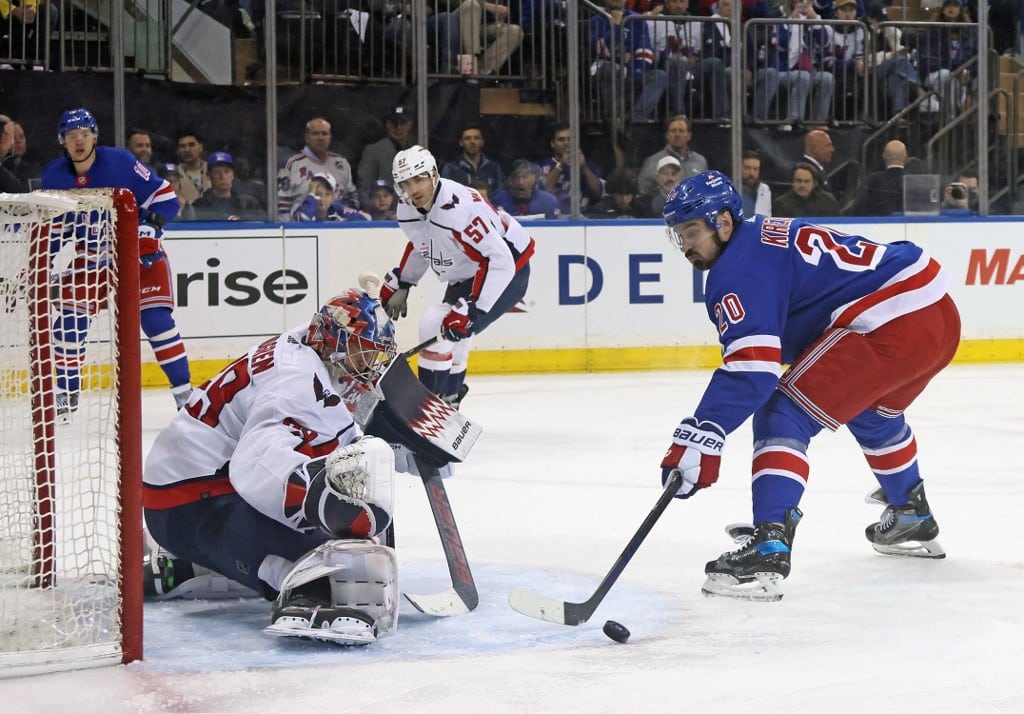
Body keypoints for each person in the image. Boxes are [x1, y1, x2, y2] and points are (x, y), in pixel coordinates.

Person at [659, 170, 959, 601]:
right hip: (938, 314)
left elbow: (753, 370)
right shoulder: (762, 236)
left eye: (692, 231)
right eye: (679, 235)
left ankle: (769, 546)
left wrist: (704, 431)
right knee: (871, 410)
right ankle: (910, 513)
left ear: (723, 222)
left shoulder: (736, 270)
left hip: (891, 322)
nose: (686, 245)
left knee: (782, 413)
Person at [143, 289, 403, 644]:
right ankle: (303, 592)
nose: (370, 364)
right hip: (189, 503)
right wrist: (322, 505)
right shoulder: (292, 383)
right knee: (337, 562)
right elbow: (257, 466)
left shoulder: (308, 344)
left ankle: (198, 561)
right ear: (334, 343)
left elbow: (319, 423)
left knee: (353, 546)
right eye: (362, 352)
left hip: (195, 484)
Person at [40, 108, 193, 414]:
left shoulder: (120, 162)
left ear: (95, 136)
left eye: (84, 134)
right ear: (63, 141)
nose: (79, 141)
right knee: (68, 323)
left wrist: (152, 226)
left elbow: (165, 196)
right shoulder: (54, 176)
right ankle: (66, 394)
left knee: (157, 323)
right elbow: (51, 231)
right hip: (91, 256)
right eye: (72, 136)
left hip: (137, 253)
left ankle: (185, 395)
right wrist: (39, 263)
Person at [381, 145, 534, 405]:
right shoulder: (407, 209)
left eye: (419, 179)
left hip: (508, 271)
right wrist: (404, 280)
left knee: (437, 324)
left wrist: (475, 308)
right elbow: (424, 244)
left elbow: (500, 260)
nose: (414, 189)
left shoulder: (458, 210)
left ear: (434, 175)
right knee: (454, 332)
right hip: (470, 270)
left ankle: (428, 406)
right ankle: (449, 400)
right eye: (406, 183)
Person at [647, 0, 729, 121]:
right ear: (667, 4)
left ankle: (722, 116)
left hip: (690, 69)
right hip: (665, 67)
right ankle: (679, 114)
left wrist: (695, 58)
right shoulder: (655, 21)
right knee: (679, 63)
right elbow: (649, 49)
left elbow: (698, 50)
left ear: (687, 4)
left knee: (714, 62)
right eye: (674, 2)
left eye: (682, 2)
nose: (678, 5)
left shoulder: (696, 23)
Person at [588, 0, 668, 122]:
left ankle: (637, 117)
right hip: (604, 68)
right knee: (611, 69)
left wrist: (635, 72)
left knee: (659, 76)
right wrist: (615, 25)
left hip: (632, 71)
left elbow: (645, 52)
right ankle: (615, 119)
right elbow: (604, 51)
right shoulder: (596, 20)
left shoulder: (636, 19)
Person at [277, 116, 360, 219]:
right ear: (306, 138)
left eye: (324, 133)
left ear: (330, 137)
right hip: (302, 229)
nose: (320, 138)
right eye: (316, 133)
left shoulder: (341, 164)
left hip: (337, 229)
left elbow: (352, 198)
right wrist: (290, 231)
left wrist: (347, 223)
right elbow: (281, 205)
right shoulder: (292, 164)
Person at [537, 122, 606, 215]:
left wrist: (584, 167)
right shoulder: (543, 165)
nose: (566, 143)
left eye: (570, 139)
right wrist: (561, 165)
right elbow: (542, 191)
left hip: (585, 218)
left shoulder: (588, 165)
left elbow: (599, 191)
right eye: (561, 140)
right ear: (552, 143)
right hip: (553, 218)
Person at [637, 115, 707, 197]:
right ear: (667, 135)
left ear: (689, 136)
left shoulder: (700, 161)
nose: (677, 134)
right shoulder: (653, 161)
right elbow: (643, 191)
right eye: (673, 131)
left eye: (681, 131)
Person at [357, 106, 414, 206]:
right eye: (394, 123)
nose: (398, 128)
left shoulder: (416, 152)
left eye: (402, 123)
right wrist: (376, 216)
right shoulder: (373, 151)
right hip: (383, 216)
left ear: (410, 124)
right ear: (387, 124)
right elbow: (364, 190)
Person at [454, 0, 524, 75]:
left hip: (485, 26)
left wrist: (503, 13)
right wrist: (487, 5)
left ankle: (483, 70)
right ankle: (470, 63)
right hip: (458, 20)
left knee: (515, 31)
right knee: (472, 4)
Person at [193, 151, 265, 221]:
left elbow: (262, 223)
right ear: (209, 175)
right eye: (217, 172)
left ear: (233, 174)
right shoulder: (200, 205)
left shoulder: (248, 203)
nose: (223, 177)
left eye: (227, 171)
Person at [440, 123, 504, 196]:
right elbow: (445, 196)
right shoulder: (451, 169)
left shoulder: (494, 168)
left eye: (476, 138)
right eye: (467, 138)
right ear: (461, 143)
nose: (472, 142)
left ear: (482, 142)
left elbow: (500, 196)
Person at [849, 140, 908, 216]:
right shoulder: (913, 181)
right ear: (906, 158)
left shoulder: (873, 180)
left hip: (876, 225)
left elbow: (859, 208)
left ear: (884, 157)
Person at [490, 159, 562, 219]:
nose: (520, 182)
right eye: (516, 177)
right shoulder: (497, 201)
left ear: (533, 178)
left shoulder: (549, 202)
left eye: (525, 177)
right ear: (510, 180)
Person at [291, 172, 371, 222]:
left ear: (333, 196)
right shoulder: (304, 209)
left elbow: (367, 217)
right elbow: (305, 218)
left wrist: (344, 221)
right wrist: (311, 194)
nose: (322, 199)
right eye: (318, 194)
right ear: (311, 195)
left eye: (327, 194)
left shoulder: (336, 209)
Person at [773, 161, 841, 217]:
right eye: (799, 181)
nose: (802, 185)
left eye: (806, 181)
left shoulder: (827, 201)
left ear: (814, 184)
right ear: (793, 182)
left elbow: (838, 225)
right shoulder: (781, 203)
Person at [585, 167, 650, 218]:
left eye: (627, 194)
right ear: (612, 193)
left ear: (633, 193)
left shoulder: (642, 209)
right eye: (619, 195)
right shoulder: (600, 210)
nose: (624, 199)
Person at [174, 129, 209, 207]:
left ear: (201, 147)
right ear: (178, 150)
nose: (187, 150)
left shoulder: (213, 170)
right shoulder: (173, 174)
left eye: (191, 145)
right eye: (182, 146)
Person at [740, 149, 772, 216]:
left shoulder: (765, 190)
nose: (751, 173)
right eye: (747, 168)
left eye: (755, 169)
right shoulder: (729, 188)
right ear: (739, 168)